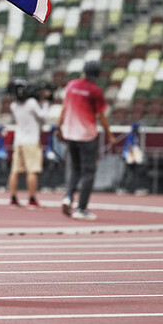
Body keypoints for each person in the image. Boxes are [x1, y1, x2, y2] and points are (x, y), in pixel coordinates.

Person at [57, 60, 116, 220]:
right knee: (88, 172)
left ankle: (68, 197)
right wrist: (109, 134)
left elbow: (64, 108)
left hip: (70, 135)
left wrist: (58, 127)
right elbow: (101, 115)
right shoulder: (95, 91)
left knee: (74, 169)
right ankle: (81, 208)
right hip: (87, 136)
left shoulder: (71, 85)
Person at [8, 80, 50, 208]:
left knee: (15, 171)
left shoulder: (13, 105)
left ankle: (13, 198)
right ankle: (32, 198)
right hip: (31, 140)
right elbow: (42, 116)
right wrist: (45, 103)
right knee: (32, 171)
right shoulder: (31, 103)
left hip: (18, 140)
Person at [118, 122, 147, 195]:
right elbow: (129, 146)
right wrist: (134, 157)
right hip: (129, 156)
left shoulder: (133, 135)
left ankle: (128, 188)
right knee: (129, 173)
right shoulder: (132, 135)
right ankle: (123, 188)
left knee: (133, 173)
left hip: (129, 156)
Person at [40, 124, 65, 192]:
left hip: (57, 157)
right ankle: (45, 185)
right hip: (52, 156)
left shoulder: (58, 137)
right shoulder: (52, 136)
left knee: (60, 171)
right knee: (50, 171)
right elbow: (53, 147)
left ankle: (60, 185)